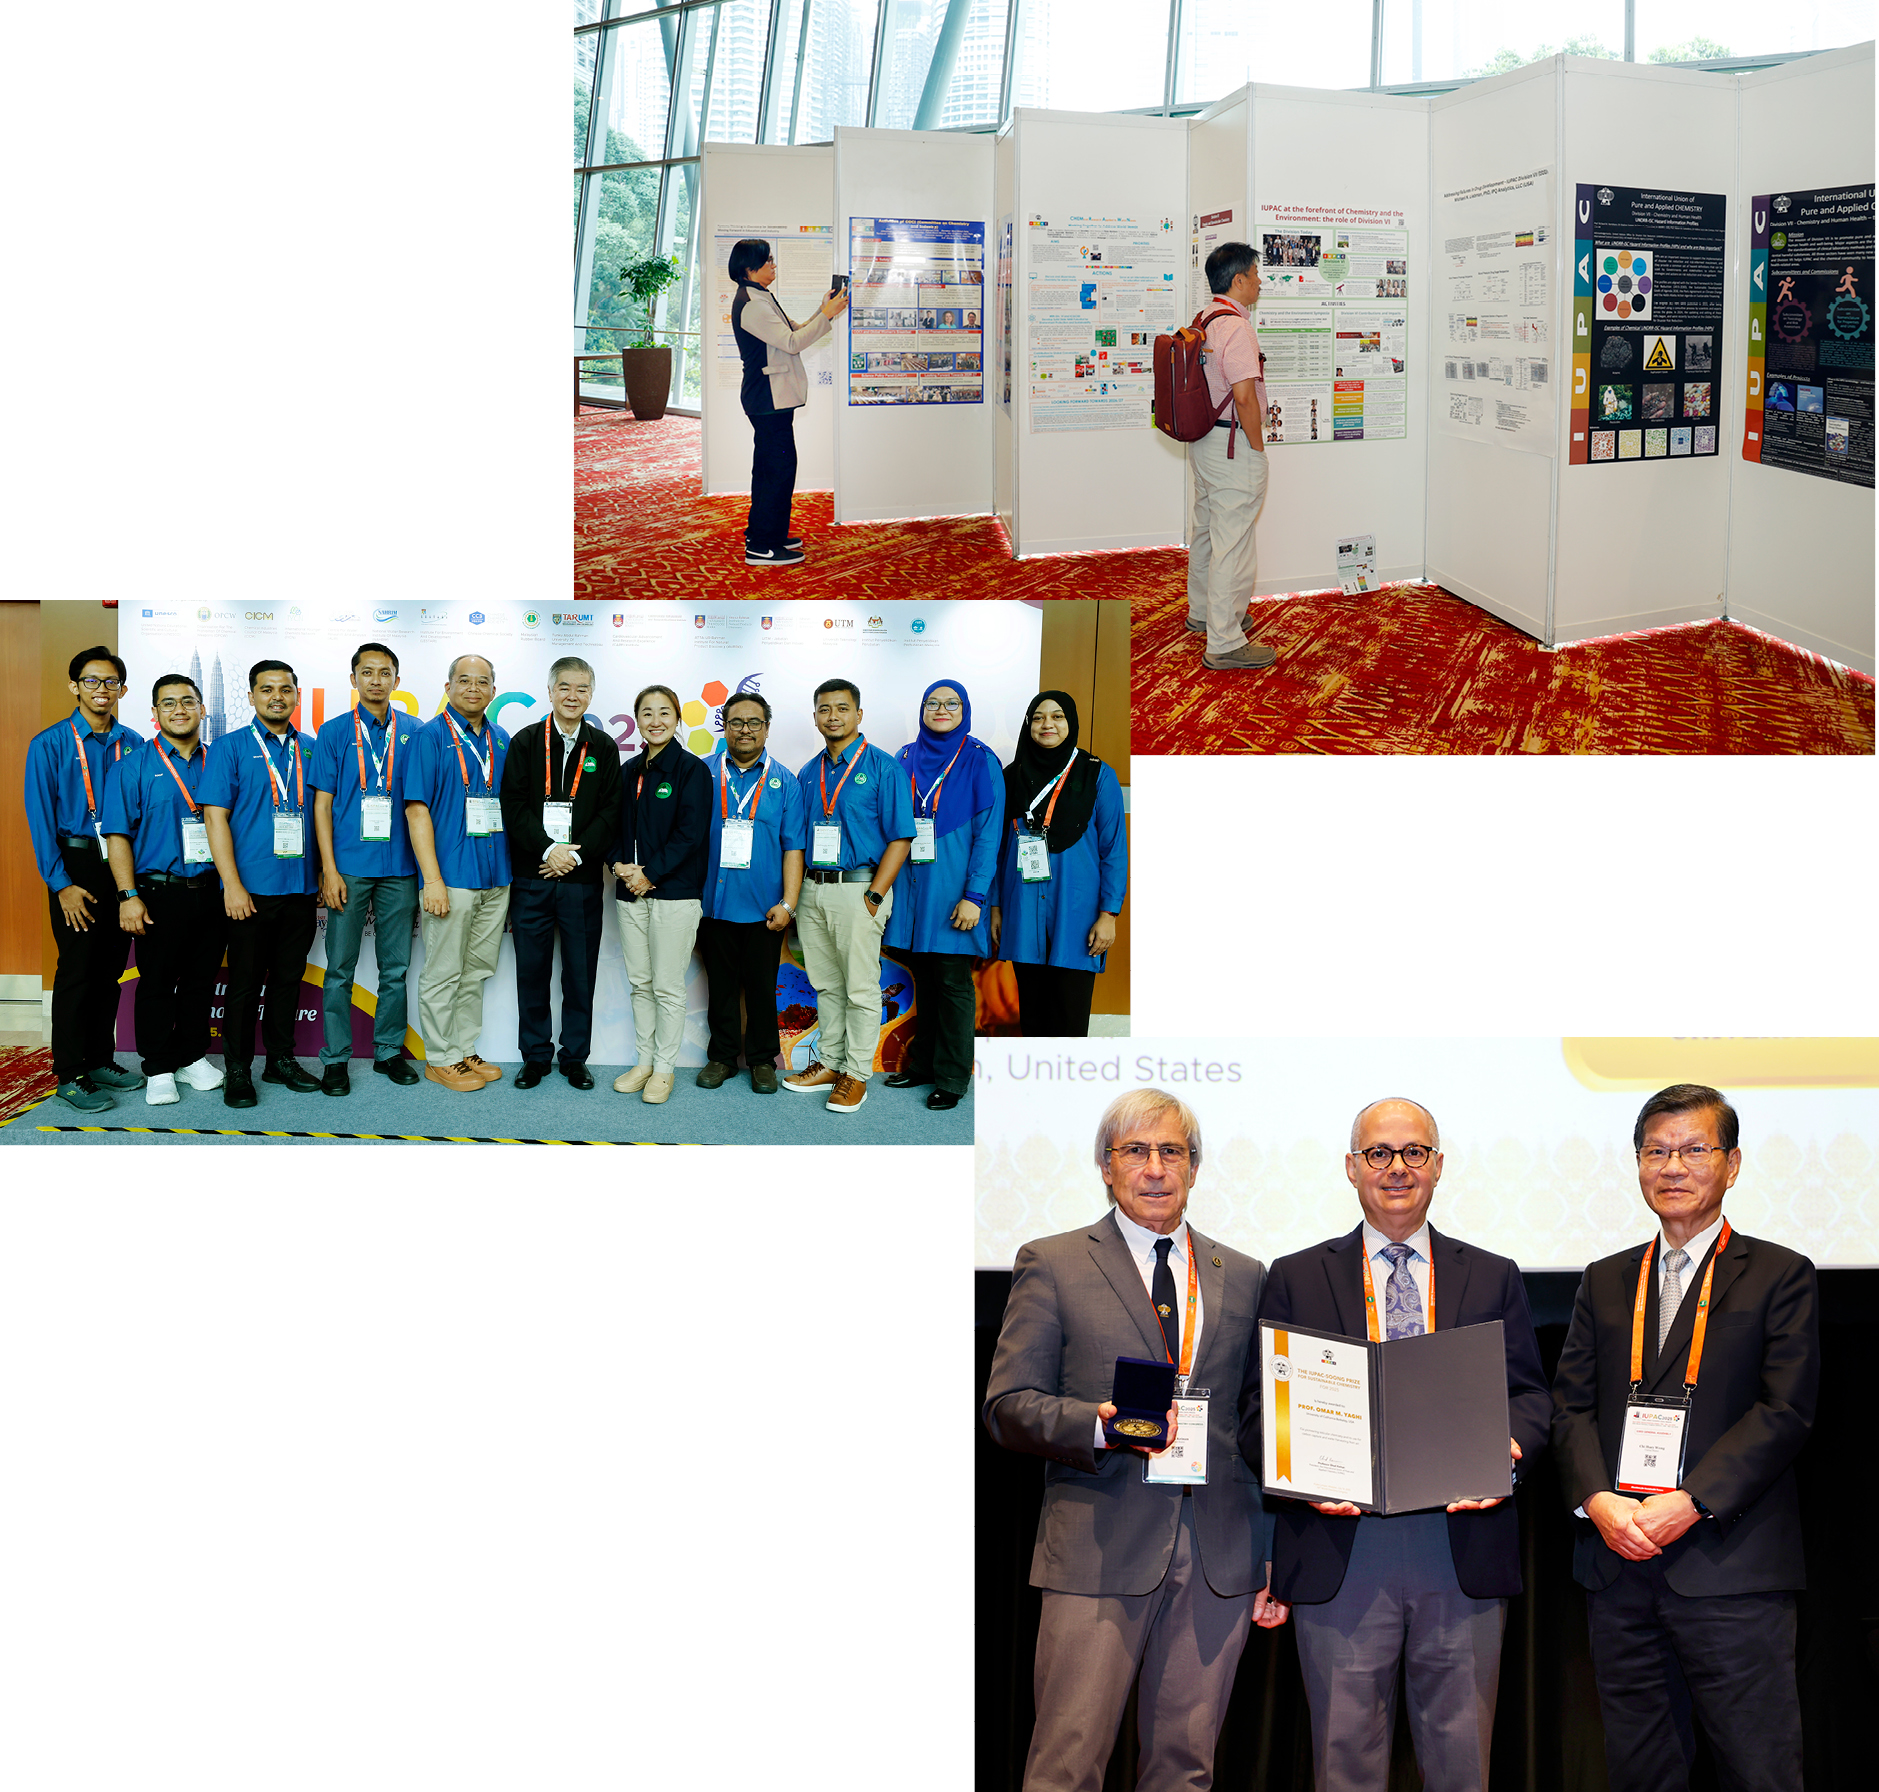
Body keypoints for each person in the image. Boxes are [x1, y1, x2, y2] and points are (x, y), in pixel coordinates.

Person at [983, 1088, 1288, 1792]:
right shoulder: (1053, 1262)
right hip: (1097, 1545)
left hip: (1218, 1553)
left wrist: (1271, 1550)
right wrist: (1098, 1423)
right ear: (1105, 1166)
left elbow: (1254, 1422)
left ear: (1193, 1166)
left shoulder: (1241, 1274)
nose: (1155, 1167)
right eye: (1135, 1151)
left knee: (1185, 1772)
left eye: (1171, 1151)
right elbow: (1006, 1406)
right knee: (1066, 1765)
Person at [1259, 1098, 1550, 1792]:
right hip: (1342, 1547)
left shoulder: (1491, 1274)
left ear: (1438, 1165)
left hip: (1459, 1548)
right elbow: (1258, 1410)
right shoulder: (1296, 1277)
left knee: (1460, 1765)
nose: (1397, 1168)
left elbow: (1532, 1397)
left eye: (1413, 1152)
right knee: (1342, 1764)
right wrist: (1300, 1473)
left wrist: (1511, 1446)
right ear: (1352, 1168)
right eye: (1379, 1154)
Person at [1551, 1083, 1819, 1792]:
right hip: (1618, 1566)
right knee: (1639, 1771)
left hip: (1729, 1569)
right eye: (1656, 1151)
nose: (1672, 1166)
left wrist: (1691, 1500)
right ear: (1637, 1164)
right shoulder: (1604, 1280)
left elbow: (1783, 1410)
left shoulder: (1778, 1274)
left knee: (1757, 1768)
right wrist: (1596, 1502)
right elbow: (1569, 1408)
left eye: (1693, 1150)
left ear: (1731, 1164)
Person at [25, 647, 147, 1111]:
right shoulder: (50, 744)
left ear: (123, 689)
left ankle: (100, 1059)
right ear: (74, 686)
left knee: (110, 971)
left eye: (111, 682)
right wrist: (60, 884)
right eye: (92, 681)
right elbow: (40, 821)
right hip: (73, 867)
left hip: (119, 863)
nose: (102, 689)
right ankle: (69, 1071)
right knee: (76, 971)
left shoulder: (134, 742)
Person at [784, 679, 913, 1114]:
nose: (833, 716)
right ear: (815, 717)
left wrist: (876, 894)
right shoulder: (807, 772)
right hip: (813, 891)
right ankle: (830, 1063)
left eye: (842, 708)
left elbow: (900, 838)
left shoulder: (883, 768)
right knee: (827, 986)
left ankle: (856, 1074)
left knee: (859, 989)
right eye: (824, 709)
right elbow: (798, 841)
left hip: (860, 890)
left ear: (859, 715)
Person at [201, 660, 323, 1109]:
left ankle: (280, 1059)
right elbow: (215, 817)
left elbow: (323, 816)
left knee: (288, 979)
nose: (277, 696)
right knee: (246, 984)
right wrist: (231, 885)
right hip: (249, 892)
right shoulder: (229, 748)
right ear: (250, 696)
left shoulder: (311, 749)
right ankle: (238, 1069)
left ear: (296, 695)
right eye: (267, 689)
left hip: (301, 888)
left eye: (286, 689)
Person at [101, 674, 227, 1107]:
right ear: (154, 713)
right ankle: (157, 1065)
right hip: (158, 892)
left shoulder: (221, 761)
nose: (179, 709)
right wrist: (126, 896)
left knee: (199, 980)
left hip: (212, 890)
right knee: (156, 982)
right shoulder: (132, 766)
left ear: (202, 709)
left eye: (188, 701)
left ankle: (192, 1055)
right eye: (168, 703)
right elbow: (117, 836)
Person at [499, 657, 622, 1091]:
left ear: (591, 694)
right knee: (531, 972)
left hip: (582, 881)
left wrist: (574, 855)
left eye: (582, 689)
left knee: (579, 974)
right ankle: (534, 1057)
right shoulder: (527, 741)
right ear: (550, 691)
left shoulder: (604, 747)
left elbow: (611, 811)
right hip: (534, 876)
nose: (573, 696)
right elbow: (511, 804)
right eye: (565, 687)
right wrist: (549, 849)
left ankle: (574, 1058)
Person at [882, 680, 1002, 1113]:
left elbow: (989, 836)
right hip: (914, 891)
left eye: (951, 704)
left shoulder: (980, 759)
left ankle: (952, 1077)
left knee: (952, 984)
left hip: (954, 892)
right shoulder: (906, 757)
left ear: (964, 710)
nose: (941, 710)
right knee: (927, 982)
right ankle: (923, 1065)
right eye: (932, 703)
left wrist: (975, 895)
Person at [309, 642, 422, 1096]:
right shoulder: (334, 733)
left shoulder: (417, 732)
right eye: (367, 672)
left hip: (400, 867)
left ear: (397, 679)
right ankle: (335, 1059)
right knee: (340, 967)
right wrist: (328, 870)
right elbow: (321, 806)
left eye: (385, 672)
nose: (376, 680)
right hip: (350, 868)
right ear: (353, 678)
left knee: (395, 969)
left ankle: (388, 1052)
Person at [401, 655, 512, 1094]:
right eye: (463, 680)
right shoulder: (430, 737)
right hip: (451, 876)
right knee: (444, 971)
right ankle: (440, 1057)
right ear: (448, 687)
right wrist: (432, 880)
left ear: (493, 691)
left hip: (495, 874)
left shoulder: (500, 739)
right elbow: (416, 810)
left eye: (482, 681)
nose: (472, 688)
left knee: (477, 970)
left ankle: (464, 1049)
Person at [990, 693, 1126, 1039]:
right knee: (1032, 1014)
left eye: (1057, 716)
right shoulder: (1011, 777)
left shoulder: (1097, 775)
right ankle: (1034, 1088)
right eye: (1037, 718)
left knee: (1070, 1014)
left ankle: (1066, 1090)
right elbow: (998, 849)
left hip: (1076, 911)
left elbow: (1113, 850)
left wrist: (1108, 914)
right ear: (1028, 725)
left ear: (1071, 723)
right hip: (1021, 907)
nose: (1047, 724)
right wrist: (995, 907)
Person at [695, 691, 805, 1096]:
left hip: (766, 909)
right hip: (712, 903)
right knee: (720, 987)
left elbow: (794, 847)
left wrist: (788, 903)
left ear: (766, 729)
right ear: (724, 727)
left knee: (761, 987)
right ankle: (723, 1057)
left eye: (754, 722)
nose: (745, 729)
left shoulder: (785, 782)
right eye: (736, 722)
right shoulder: (701, 773)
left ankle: (762, 1061)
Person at [610, 685, 709, 1106]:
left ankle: (665, 1069)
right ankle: (644, 1061)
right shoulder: (628, 769)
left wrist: (649, 874)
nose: (655, 720)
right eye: (646, 713)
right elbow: (611, 826)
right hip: (629, 893)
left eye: (664, 712)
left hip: (674, 896)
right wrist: (617, 865)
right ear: (637, 719)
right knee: (640, 983)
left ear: (677, 720)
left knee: (667, 986)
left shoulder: (692, 770)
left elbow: (691, 834)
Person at [729, 237, 848, 568]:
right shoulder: (752, 303)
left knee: (771, 468)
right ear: (749, 268)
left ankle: (768, 533)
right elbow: (793, 343)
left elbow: (793, 330)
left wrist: (823, 311)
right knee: (777, 470)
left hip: (771, 397)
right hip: (767, 398)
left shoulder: (760, 296)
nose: (773, 265)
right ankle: (762, 547)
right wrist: (826, 315)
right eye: (768, 261)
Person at [1187, 242, 1276, 671]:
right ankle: (1223, 641)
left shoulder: (1205, 319)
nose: (1260, 280)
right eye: (1256, 274)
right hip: (1232, 444)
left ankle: (1204, 614)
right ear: (1238, 280)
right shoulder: (1237, 328)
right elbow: (1244, 397)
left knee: (1207, 530)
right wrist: (1257, 449)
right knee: (1233, 542)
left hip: (1204, 442)